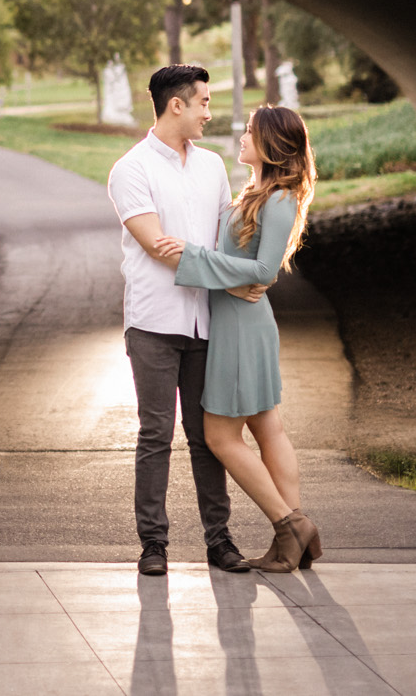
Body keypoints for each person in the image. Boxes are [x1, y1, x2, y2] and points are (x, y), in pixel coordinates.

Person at [106, 64, 262, 577]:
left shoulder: (213, 166)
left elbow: (220, 243)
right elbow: (156, 245)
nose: (208, 113)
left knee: (208, 437)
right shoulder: (130, 170)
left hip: (206, 321)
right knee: (156, 434)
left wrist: (215, 265)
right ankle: (153, 544)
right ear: (177, 104)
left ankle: (220, 541)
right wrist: (227, 275)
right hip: (153, 321)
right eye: (203, 103)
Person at [158, 103, 323, 572]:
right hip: (238, 318)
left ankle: (288, 525)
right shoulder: (256, 192)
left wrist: (193, 259)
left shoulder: (279, 198)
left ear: (272, 142)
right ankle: (293, 541)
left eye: (250, 131)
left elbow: (266, 270)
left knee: (221, 436)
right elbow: (242, 265)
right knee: (268, 430)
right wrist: (224, 274)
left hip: (241, 325)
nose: (241, 136)